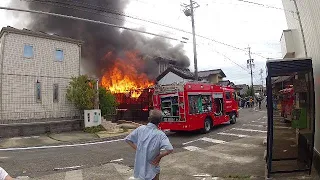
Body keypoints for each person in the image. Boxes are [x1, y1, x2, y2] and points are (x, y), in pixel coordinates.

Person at [125, 109, 173, 180]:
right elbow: (170, 149)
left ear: (149, 119)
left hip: (140, 168)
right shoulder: (160, 134)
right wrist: (159, 157)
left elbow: (128, 139)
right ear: (160, 121)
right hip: (152, 169)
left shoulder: (140, 129)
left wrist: (138, 149)